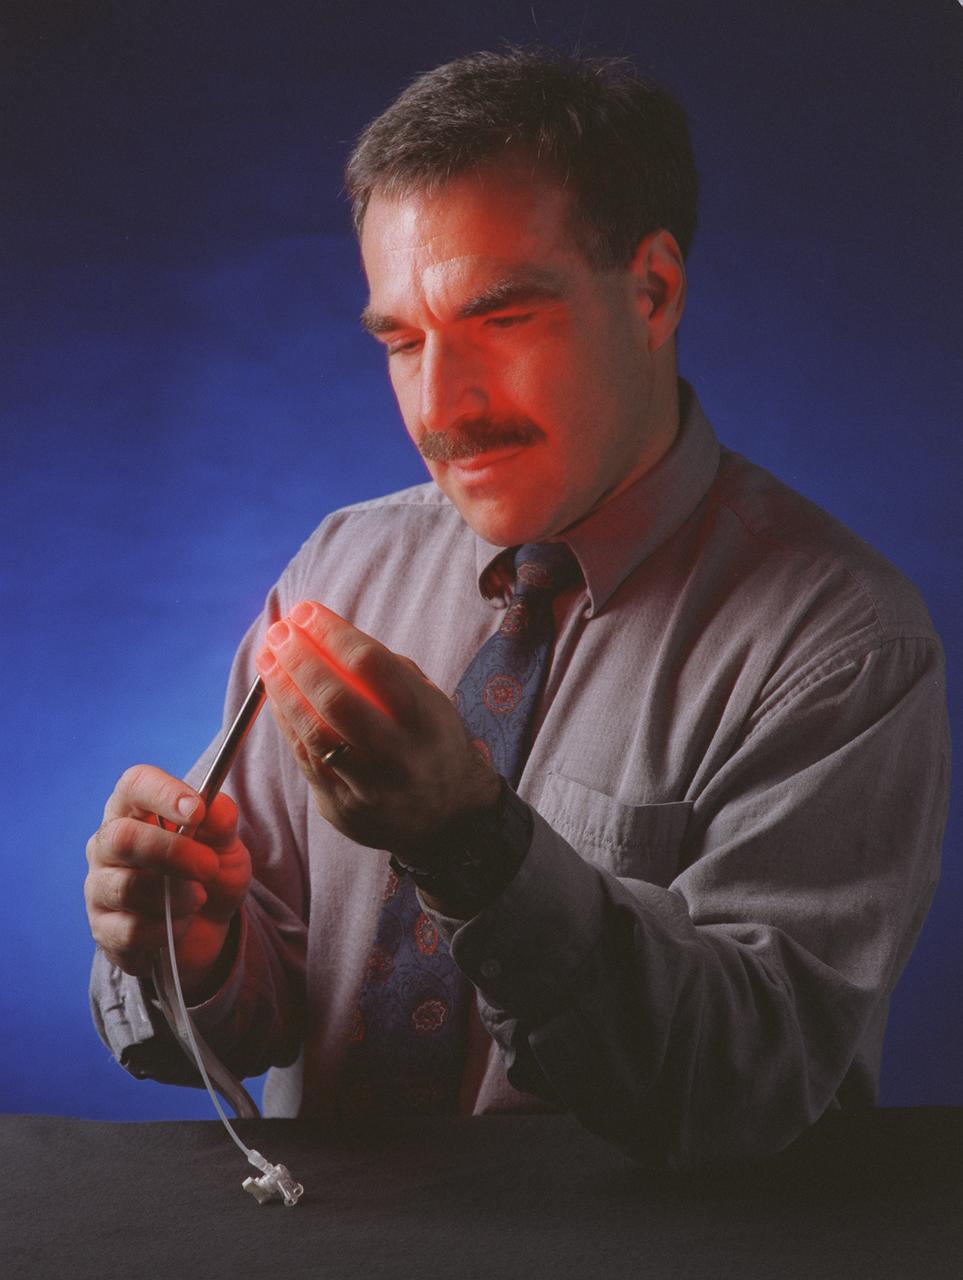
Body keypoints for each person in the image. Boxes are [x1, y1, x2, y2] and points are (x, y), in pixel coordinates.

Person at [86, 49, 948, 1169]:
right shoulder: (336, 567)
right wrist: (196, 950)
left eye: (502, 316)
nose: (438, 406)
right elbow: (267, 1005)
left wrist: (472, 844)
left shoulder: (840, 643)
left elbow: (749, 1088)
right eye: (401, 340)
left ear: (653, 290)